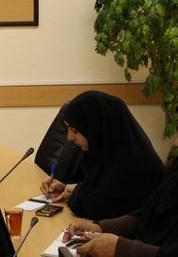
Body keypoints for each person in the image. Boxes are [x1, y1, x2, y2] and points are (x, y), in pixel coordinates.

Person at [40, 91, 165, 220]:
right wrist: (66, 187)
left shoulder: (135, 163)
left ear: (96, 128)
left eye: (75, 131)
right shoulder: (104, 153)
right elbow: (95, 185)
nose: (69, 138)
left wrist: (75, 193)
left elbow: (95, 207)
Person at [63, 158, 178, 257]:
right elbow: (149, 216)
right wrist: (99, 227)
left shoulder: (135, 160)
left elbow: (92, 204)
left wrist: (121, 249)